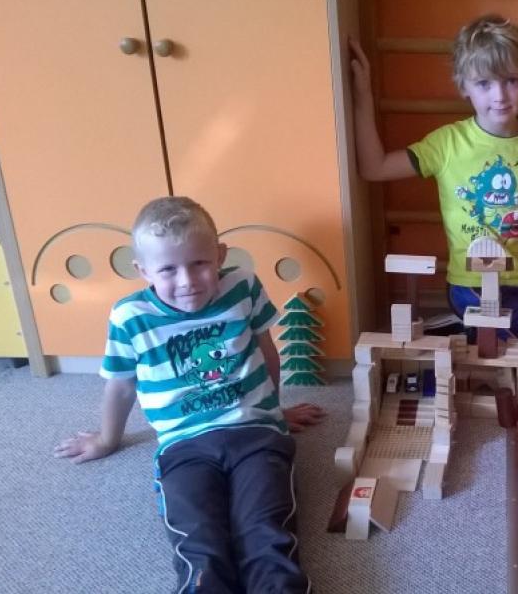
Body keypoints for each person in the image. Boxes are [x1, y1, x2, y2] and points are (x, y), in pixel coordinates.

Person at [53, 196, 324, 593]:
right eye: (168, 269)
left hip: (256, 434)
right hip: (184, 446)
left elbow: (266, 351)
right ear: (143, 271)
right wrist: (107, 439)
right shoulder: (130, 317)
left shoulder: (243, 285)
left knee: (265, 532)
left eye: (200, 263)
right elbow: (121, 385)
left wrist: (275, 410)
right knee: (200, 541)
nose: (187, 281)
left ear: (220, 255)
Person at [348, 13, 518, 356]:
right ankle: (466, 326)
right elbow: (374, 167)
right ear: (464, 87)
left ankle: (469, 328)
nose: (500, 95)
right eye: (484, 83)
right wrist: (363, 95)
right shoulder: (447, 143)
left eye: (511, 80)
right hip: (474, 286)